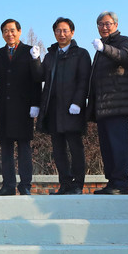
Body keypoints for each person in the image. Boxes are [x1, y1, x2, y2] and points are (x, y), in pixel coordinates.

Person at [0, 19, 43, 196]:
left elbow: (37, 79)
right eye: (6, 31)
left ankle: (25, 185)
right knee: (6, 148)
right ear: (2, 34)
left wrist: (35, 104)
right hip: (4, 108)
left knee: (24, 148)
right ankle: (8, 185)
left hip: (23, 108)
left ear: (19, 31)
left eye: (13, 30)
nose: (10, 34)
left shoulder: (29, 51)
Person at [88, 11, 128, 195]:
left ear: (116, 25)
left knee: (119, 145)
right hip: (103, 107)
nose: (104, 27)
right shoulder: (100, 49)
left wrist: (104, 49)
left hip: (118, 104)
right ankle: (112, 182)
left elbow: (124, 57)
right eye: (100, 24)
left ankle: (121, 183)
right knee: (107, 148)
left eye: (108, 24)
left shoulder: (123, 41)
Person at [38, 17, 91, 195]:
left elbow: (84, 81)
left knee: (75, 148)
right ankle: (65, 183)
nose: (61, 34)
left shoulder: (81, 54)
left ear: (72, 32)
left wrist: (77, 102)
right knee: (58, 149)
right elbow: (40, 77)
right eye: (58, 31)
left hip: (72, 109)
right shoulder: (50, 55)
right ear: (54, 33)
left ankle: (78, 184)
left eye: (65, 30)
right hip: (53, 109)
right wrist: (34, 60)